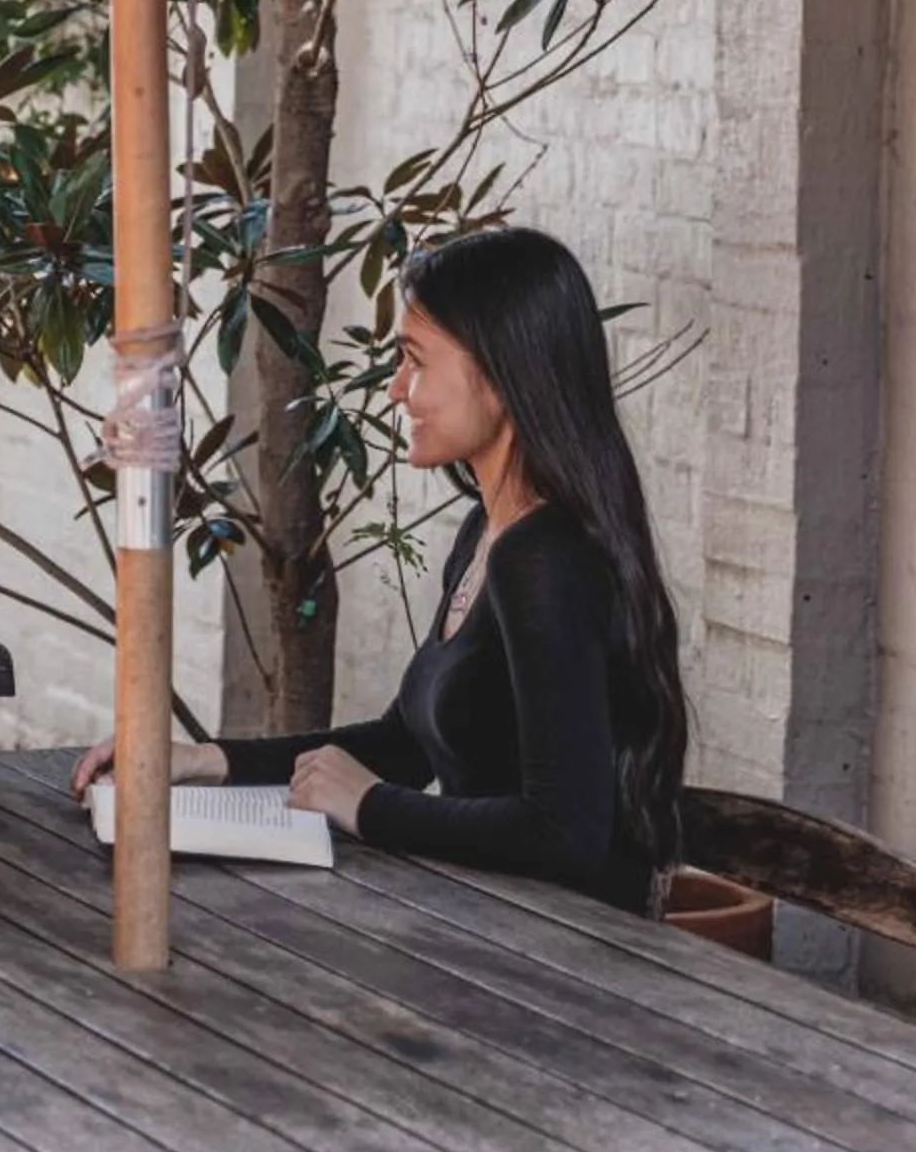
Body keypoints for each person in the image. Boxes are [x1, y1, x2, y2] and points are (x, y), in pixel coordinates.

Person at [72, 226, 689, 913]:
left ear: (502, 376)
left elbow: (564, 834)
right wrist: (204, 760)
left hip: (570, 956)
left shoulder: (545, 559)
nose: (396, 390)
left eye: (415, 362)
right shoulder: (490, 531)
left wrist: (369, 807)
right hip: (492, 920)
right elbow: (405, 744)